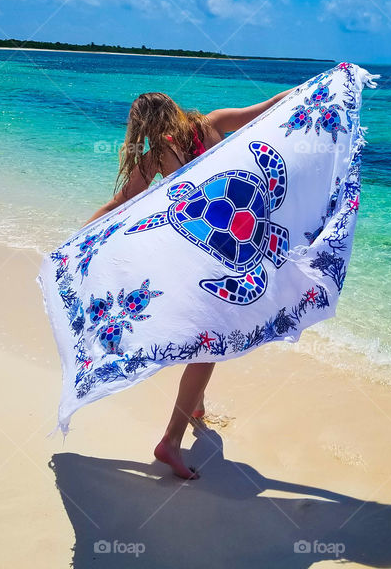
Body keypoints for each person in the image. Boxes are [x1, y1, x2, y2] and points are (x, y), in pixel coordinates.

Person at [85, 88, 291, 478]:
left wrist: (80, 236)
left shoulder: (156, 155)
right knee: (208, 344)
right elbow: (269, 108)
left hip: (192, 253)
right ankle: (171, 440)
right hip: (226, 251)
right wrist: (313, 87)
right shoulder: (214, 122)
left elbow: (121, 202)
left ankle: (195, 407)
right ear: (174, 109)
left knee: (205, 339)